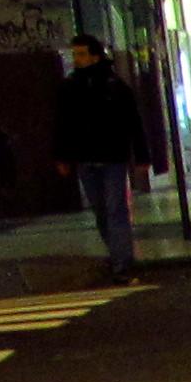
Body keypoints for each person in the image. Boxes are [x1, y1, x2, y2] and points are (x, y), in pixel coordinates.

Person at [52, 36, 149, 285]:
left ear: (95, 55)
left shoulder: (113, 85)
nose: (77, 59)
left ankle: (121, 262)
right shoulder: (71, 86)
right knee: (102, 210)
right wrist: (62, 155)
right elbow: (62, 124)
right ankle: (118, 255)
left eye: (82, 54)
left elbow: (132, 122)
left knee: (114, 208)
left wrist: (141, 154)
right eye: (75, 54)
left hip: (110, 156)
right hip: (88, 157)